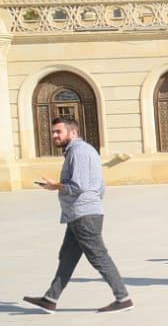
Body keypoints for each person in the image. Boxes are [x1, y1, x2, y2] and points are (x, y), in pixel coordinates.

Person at [23, 117, 133, 313]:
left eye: (58, 131)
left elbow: (79, 185)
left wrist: (53, 186)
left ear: (72, 133)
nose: (54, 135)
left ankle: (123, 298)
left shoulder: (79, 152)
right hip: (80, 213)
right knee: (67, 256)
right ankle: (50, 298)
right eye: (53, 132)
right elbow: (97, 186)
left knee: (98, 256)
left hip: (84, 215)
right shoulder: (80, 151)